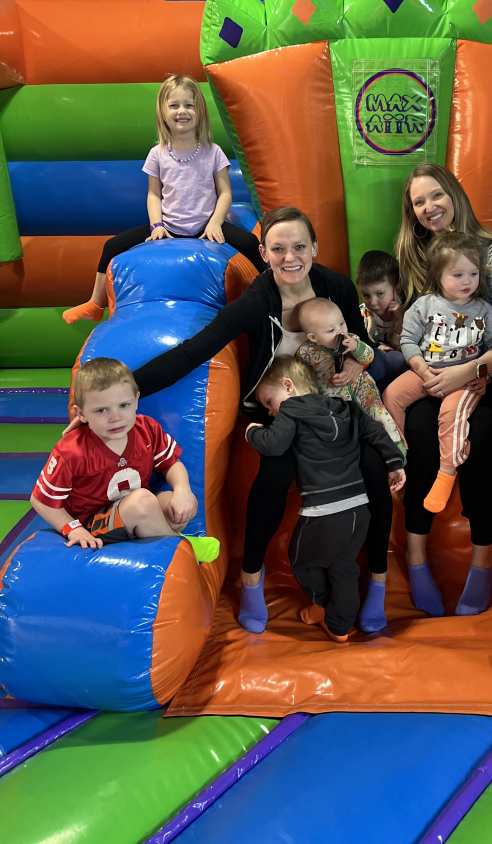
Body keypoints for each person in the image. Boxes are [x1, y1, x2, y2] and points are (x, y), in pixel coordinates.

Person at [121, 205, 395, 635]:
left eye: (300, 247)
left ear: (314, 248)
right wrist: (126, 391)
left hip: (331, 406)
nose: (291, 258)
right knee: (274, 472)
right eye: (279, 248)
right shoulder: (258, 300)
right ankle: (252, 579)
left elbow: (360, 345)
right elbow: (196, 349)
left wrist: (361, 364)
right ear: (263, 252)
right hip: (280, 411)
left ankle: (378, 584)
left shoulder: (335, 287)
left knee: (375, 469)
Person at [395, 163, 492, 618]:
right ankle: (416, 560)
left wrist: (470, 370)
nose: (429, 207)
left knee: (485, 432)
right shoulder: (416, 260)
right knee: (417, 430)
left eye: (436, 195)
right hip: (431, 376)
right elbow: (409, 330)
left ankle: (482, 560)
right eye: (419, 202)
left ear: (454, 194)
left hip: (485, 378)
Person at [62, 75, 266, 324]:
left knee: (251, 244)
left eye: (189, 105)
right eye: (174, 105)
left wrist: (214, 223)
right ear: (163, 112)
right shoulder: (157, 154)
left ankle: (273, 296)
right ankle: (95, 303)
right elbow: (153, 194)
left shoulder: (213, 152)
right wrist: (157, 225)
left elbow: (225, 193)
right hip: (169, 225)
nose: (182, 111)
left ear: (199, 111)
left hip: (205, 224)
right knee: (112, 246)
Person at [246, 357, 405, 642]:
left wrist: (252, 431)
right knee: (344, 566)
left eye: (270, 402)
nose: (270, 412)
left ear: (288, 386)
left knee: (301, 559)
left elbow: (273, 445)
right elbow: (375, 431)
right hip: (359, 507)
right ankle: (339, 625)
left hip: (324, 509)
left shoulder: (291, 410)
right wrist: (394, 462)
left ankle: (324, 607)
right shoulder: (346, 408)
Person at [30, 357, 219, 562]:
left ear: (136, 400)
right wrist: (73, 529)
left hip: (133, 511)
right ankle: (184, 549)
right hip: (94, 524)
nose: (115, 417)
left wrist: (183, 490)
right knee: (144, 501)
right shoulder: (71, 451)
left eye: (123, 405)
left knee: (175, 502)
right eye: (102, 410)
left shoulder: (147, 429)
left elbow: (172, 463)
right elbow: (41, 500)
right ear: (81, 414)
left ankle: (153, 534)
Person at [384, 232, 492, 512]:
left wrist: (482, 375)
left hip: (463, 380)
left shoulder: (484, 311)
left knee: (451, 415)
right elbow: (408, 340)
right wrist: (422, 370)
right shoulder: (424, 305)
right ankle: (396, 457)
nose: (467, 281)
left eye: (473, 274)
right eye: (458, 274)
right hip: (427, 372)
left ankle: (447, 473)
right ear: (439, 276)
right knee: (391, 395)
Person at [296, 297, 404, 455]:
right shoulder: (305, 353)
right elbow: (303, 379)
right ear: (313, 337)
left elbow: (369, 357)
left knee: (385, 422)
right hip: (339, 405)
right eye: (331, 330)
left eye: (342, 323)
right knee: (355, 436)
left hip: (366, 394)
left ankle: (400, 456)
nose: (341, 331)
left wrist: (356, 347)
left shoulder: (352, 339)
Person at [355, 250, 409, 389]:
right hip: (372, 369)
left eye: (379, 294)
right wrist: (376, 348)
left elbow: (405, 349)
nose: (373, 302)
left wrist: (401, 320)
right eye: (366, 295)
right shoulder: (362, 314)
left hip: (399, 369)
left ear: (396, 290)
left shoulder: (407, 313)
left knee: (396, 359)